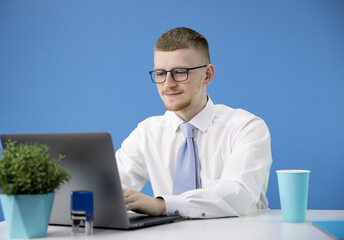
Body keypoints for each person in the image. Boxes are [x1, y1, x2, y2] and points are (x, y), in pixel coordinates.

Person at [116, 27, 272, 218]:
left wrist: (162, 205)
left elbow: (238, 194)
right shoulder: (147, 133)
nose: (168, 84)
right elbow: (110, 187)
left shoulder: (246, 128)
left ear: (207, 75)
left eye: (180, 72)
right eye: (160, 73)